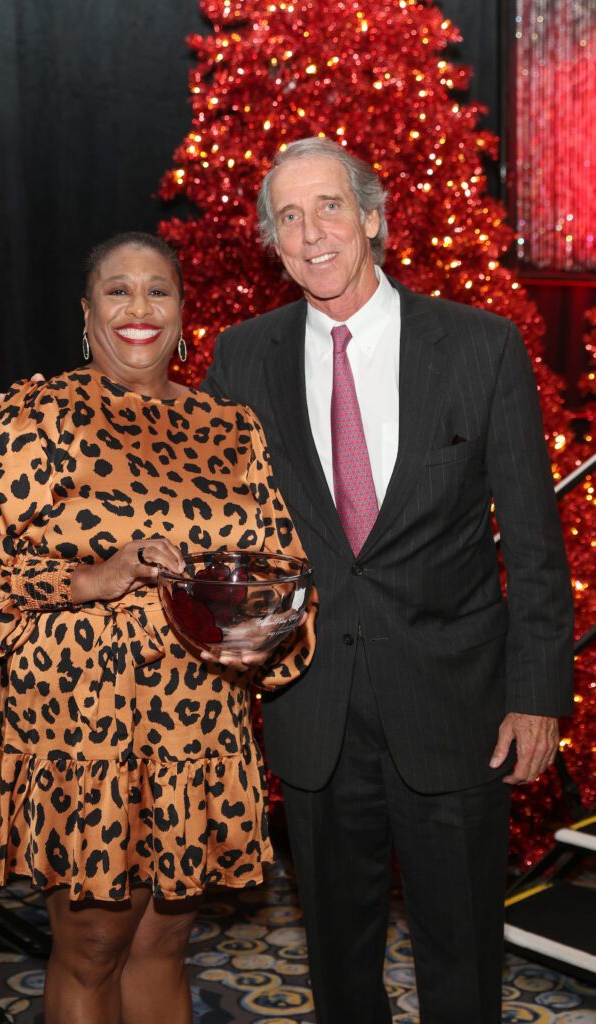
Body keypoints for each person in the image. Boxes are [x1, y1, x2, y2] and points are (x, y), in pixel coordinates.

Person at [199, 137, 574, 1023]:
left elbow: (533, 542)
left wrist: (539, 696)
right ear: (273, 244)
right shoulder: (242, 358)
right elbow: (216, 526)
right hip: (313, 710)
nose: (310, 231)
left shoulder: (480, 348)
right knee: (337, 958)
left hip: (455, 710)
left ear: (372, 217)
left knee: (461, 956)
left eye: (328, 206)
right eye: (287, 217)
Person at [0, 231, 315, 1024]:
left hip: (198, 725)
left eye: (158, 291)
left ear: (181, 314)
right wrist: (88, 577)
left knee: (161, 946)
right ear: (86, 311)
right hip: (83, 730)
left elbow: (281, 561)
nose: (138, 308)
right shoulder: (39, 413)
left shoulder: (229, 428)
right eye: (117, 290)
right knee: (94, 948)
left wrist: (258, 627)